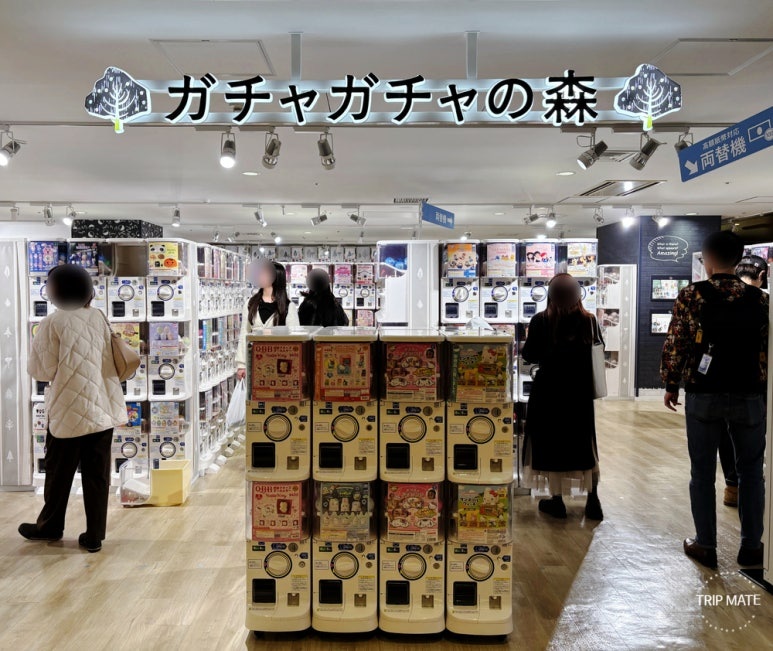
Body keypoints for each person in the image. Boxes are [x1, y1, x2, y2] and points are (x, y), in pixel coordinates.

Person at [661, 231, 768, 569]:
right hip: (750, 391)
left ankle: (705, 544)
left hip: (704, 392)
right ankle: (752, 547)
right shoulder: (760, 299)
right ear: (738, 261)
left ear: (706, 258)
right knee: (752, 471)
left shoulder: (692, 295)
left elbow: (677, 342)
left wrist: (671, 384)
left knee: (702, 472)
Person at [19, 264, 127, 553]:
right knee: (97, 475)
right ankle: (94, 535)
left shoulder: (53, 322)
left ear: (57, 290)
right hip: (102, 407)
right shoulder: (98, 317)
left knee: (59, 473)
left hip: (68, 410)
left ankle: (50, 527)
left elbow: (42, 370)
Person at [521, 273, 603, 520]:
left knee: (551, 446)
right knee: (584, 444)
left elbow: (530, 355)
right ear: (578, 294)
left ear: (550, 295)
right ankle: (593, 499)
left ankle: (557, 500)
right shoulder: (589, 321)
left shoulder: (540, 321)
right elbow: (598, 350)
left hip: (548, 392)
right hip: (579, 393)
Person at [717, 255, 769, 508]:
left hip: (720, 381)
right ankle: (753, 492)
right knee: (754, 441)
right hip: (756, 383)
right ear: (762, 276)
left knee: (726, 437)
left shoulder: (722, 299)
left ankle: (732, 487)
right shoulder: (765, 302)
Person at [235, 259, 299, 379]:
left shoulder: (288, 307)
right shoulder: (250, 303)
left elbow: (295, 338)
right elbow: (244, 333)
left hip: (279, 363)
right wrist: (241, 364)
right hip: (254, 362)